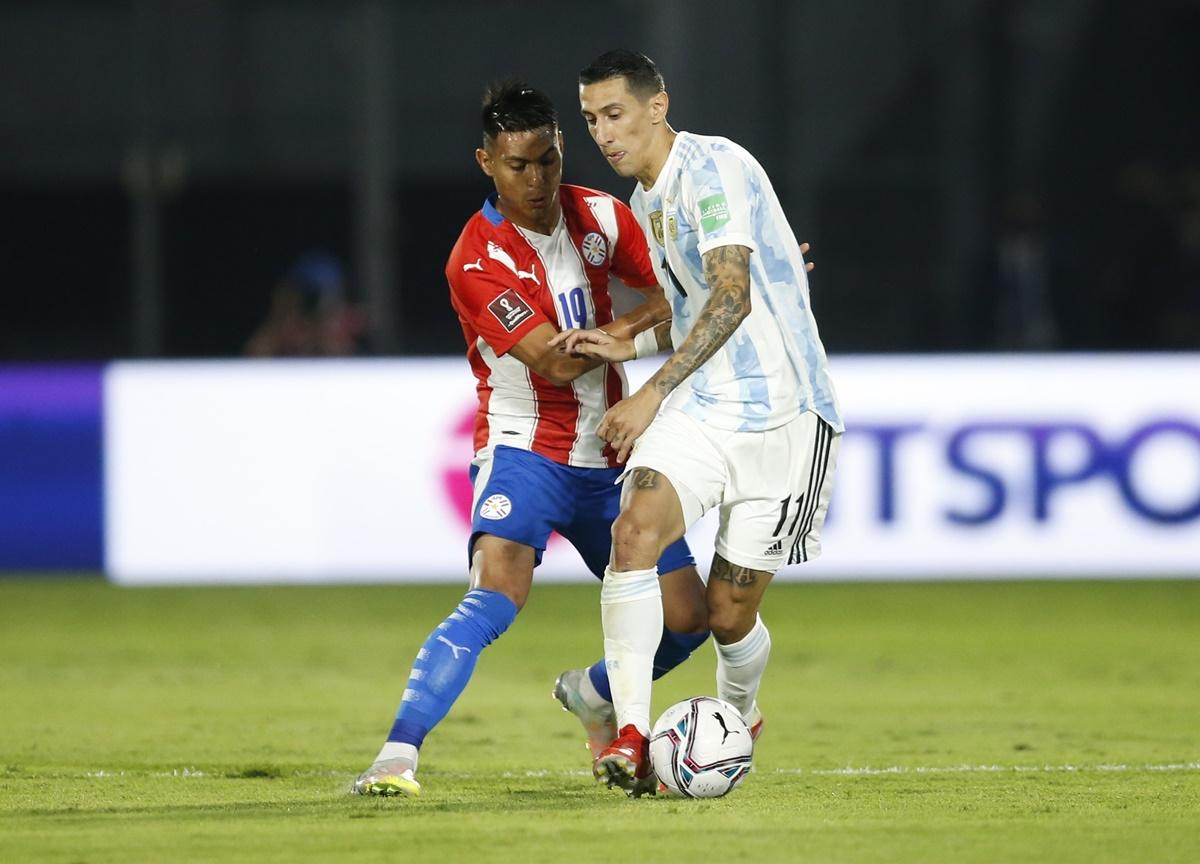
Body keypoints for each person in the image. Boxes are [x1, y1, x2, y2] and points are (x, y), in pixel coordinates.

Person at [351, 80, 711, 797]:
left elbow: (670, 298)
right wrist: (629, 331)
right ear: (486, 162)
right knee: (494, 593)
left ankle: (596, 693)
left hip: (611, 454)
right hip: (525, 452)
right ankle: (398, 752)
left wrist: (637, 326)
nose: (538, 179)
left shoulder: (602, 215)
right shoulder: (477, 260)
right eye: (518, 165)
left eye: (547, 160)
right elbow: (552, 358)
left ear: (560, 149)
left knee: (691, 619)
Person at [559, 49, 844, 796]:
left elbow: (732, 295)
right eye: (591, 121)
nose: (603, 134)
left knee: (725, 616)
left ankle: (737, 719)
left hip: (785, 419)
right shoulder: (648, 200)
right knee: (634, 532)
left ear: (658, 106)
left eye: (614, 114)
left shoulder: (710, 167)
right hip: (705, 408)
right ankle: (626, 732)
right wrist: (630, 337)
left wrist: (648, 389)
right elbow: (694, 307)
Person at [244, 252, 367, 357]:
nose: (317, 306)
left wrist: (327, 337)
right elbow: (255, 356)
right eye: (311, 298)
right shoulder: (280, 330)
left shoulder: (342, 331)